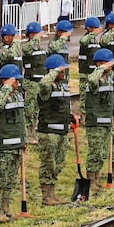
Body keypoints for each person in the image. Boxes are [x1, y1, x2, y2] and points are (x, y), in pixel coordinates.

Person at [0, 65, 27, 223]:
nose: (17, 83)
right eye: (15, 80)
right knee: (1, 180)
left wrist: (24, 139)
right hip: (3, 146)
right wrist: (6, 86)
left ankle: (6, 207)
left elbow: (21, 120)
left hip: (16, 145)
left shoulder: (18, 96)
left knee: (11, 180)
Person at [35, 54, 71, 205]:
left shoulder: (63, 86)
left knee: (59, 164)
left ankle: (52, 193)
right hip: (48, 132)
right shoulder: (46, 87)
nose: (64, 74)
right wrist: (54, 71)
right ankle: (46, 196)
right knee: (48, 164)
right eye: (61, 71)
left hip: (61, 131)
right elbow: (43, 83)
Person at [83, 49, 114, 191]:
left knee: (102, 153)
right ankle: (91, 181)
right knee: (95, 152)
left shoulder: (108, 79)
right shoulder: (94, 80)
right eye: (109, 64)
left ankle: (96, 179)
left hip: (106, 120)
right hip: (95, 122)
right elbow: (91, 79)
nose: (112, 67)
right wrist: (101, 67)